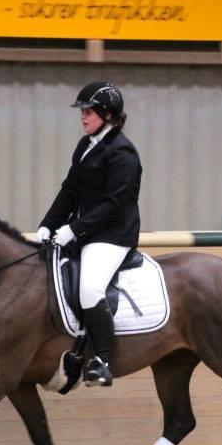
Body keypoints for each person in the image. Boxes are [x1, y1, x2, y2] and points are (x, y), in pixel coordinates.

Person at [36, 80, 142, 387]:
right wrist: (48, 225)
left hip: (113, 236)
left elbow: (114, 204)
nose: (83, 117)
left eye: (89, 112)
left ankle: (103, 362)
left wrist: (73, 229)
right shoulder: (86, 145)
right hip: (85, 232)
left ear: (107, 115)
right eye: (82, 111)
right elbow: (70, 190)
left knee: (90, 289)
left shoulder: (124, 154)